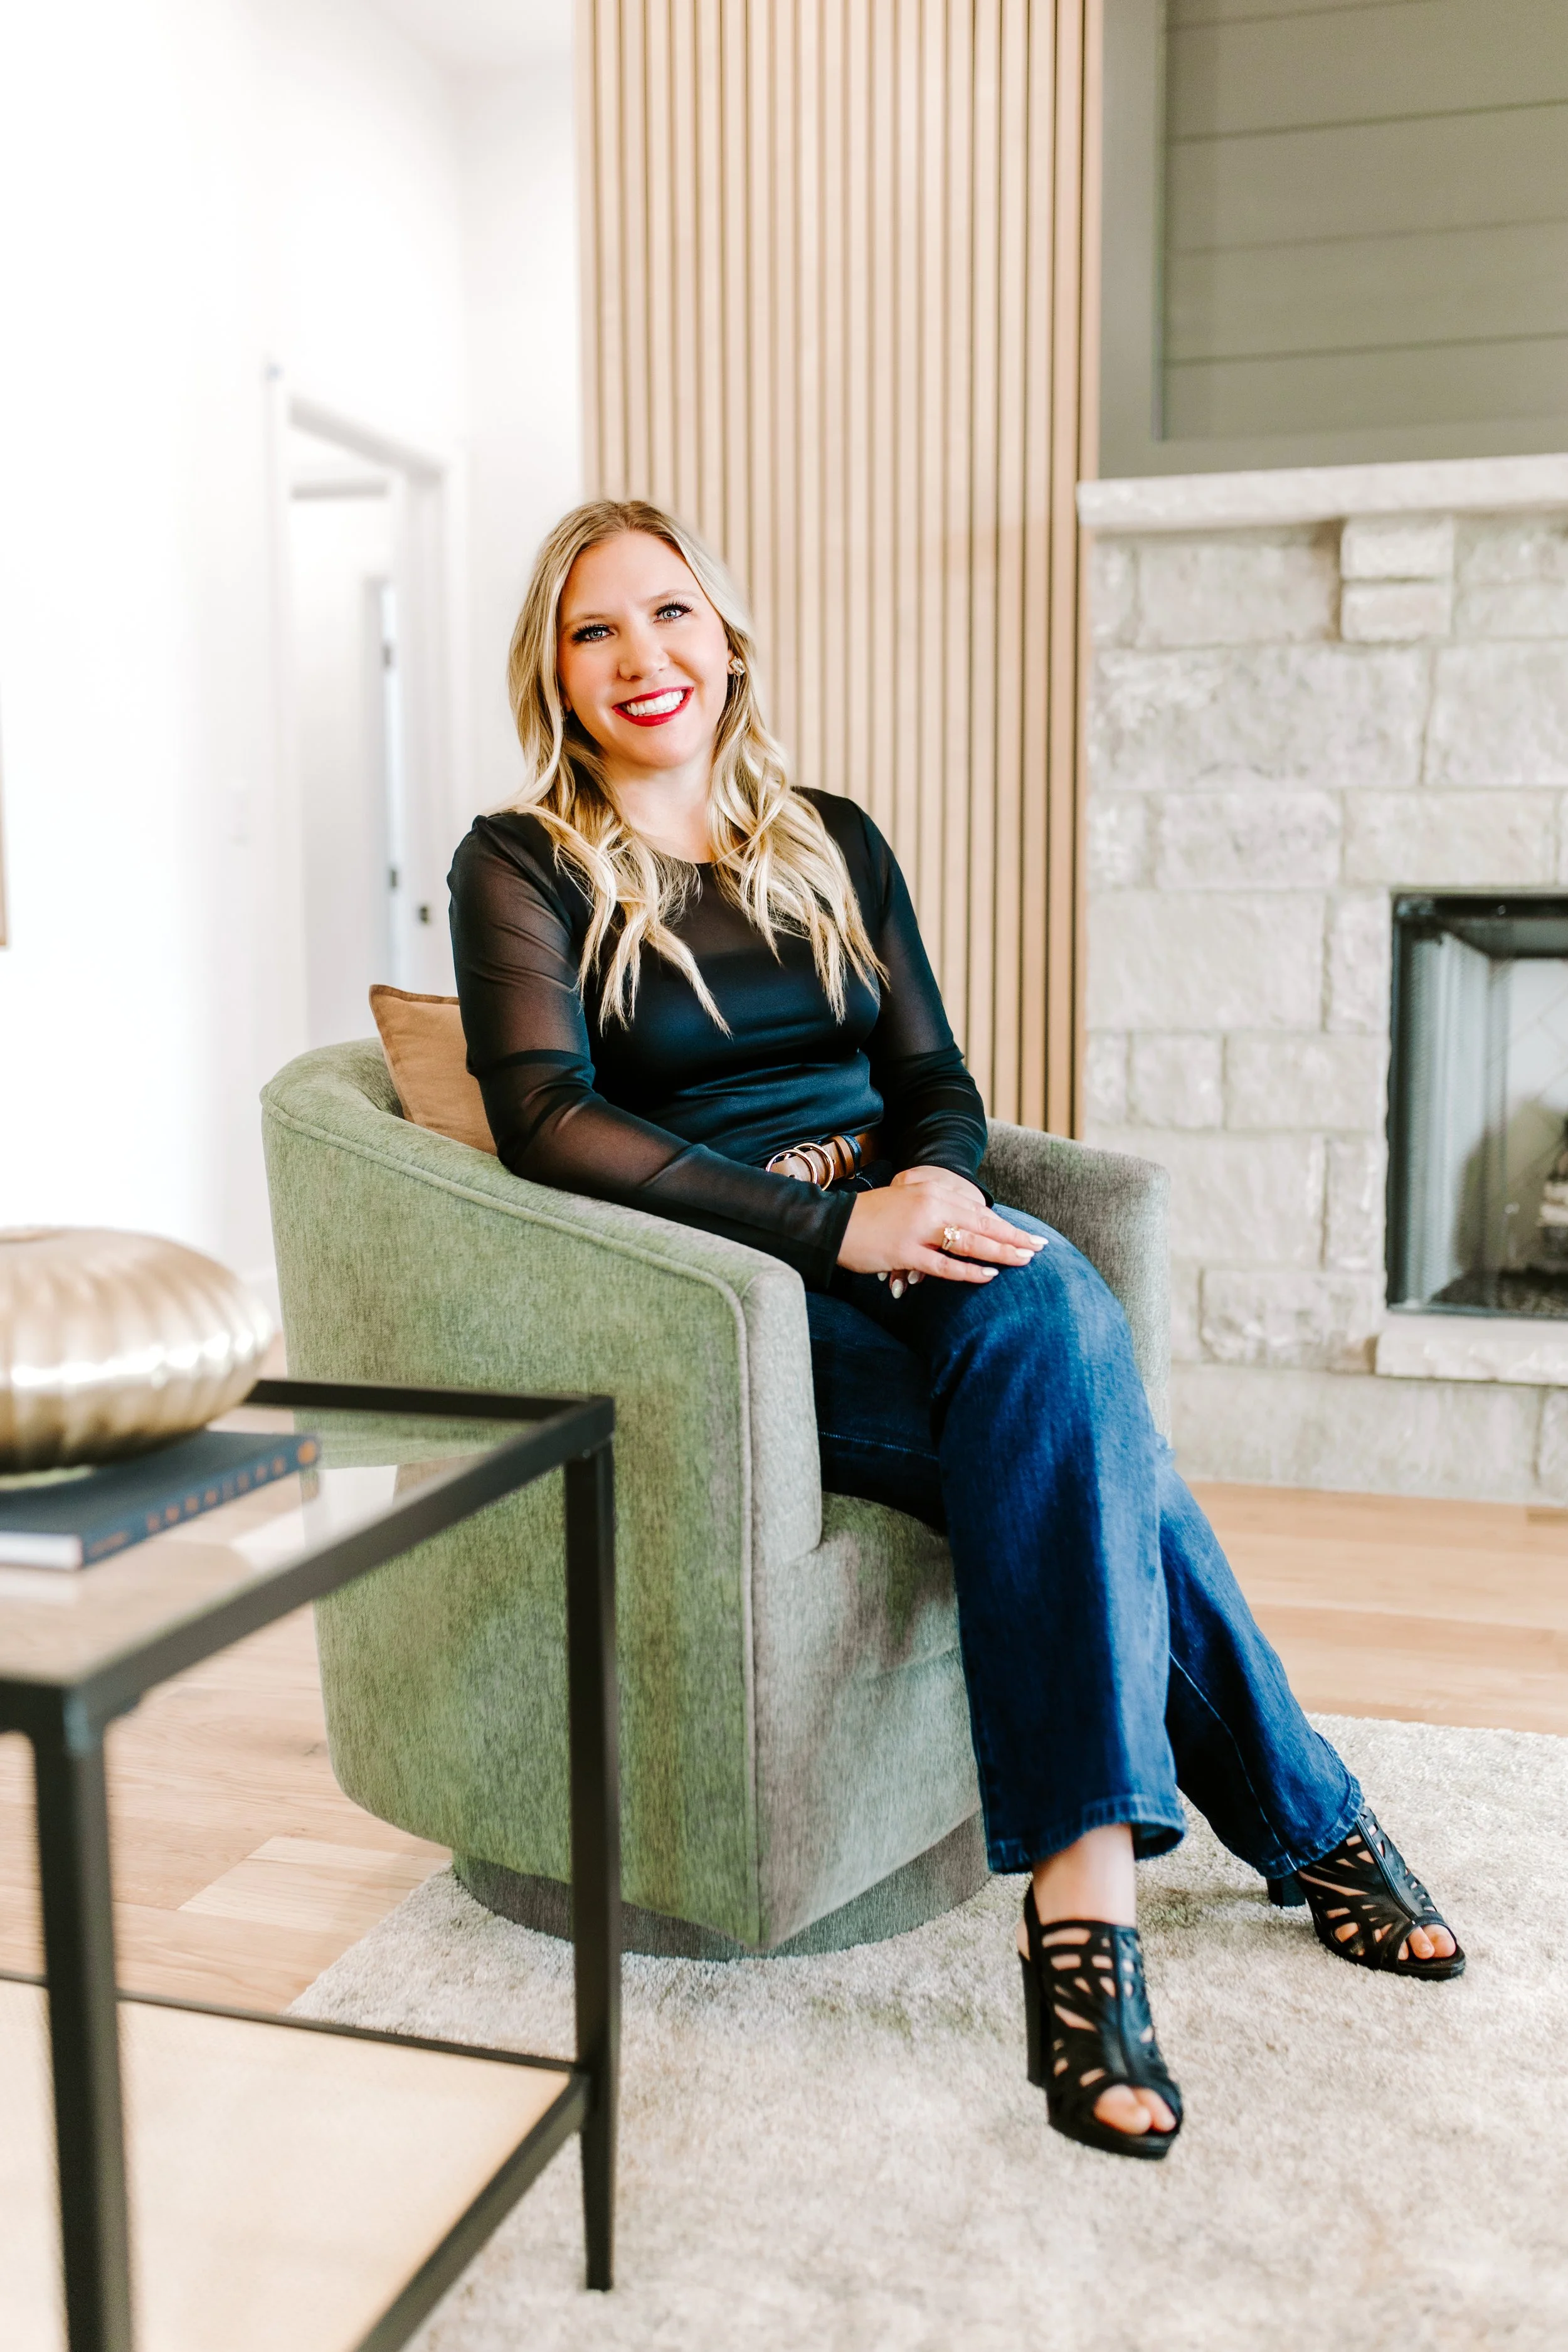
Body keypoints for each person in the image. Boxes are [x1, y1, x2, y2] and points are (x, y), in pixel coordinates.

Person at [448, 498, 1463, 2161]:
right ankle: (1255, 1848)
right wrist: (834, 1221)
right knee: (1086, 1416)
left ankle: (1091, 1915)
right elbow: (548, 1121)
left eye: (671, 614)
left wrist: (923, 1192)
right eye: (594, 628)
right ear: (551, 670)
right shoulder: (523, 864)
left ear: (728, 638)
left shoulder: (832, 836)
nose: (642, 656)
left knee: (1049, 1322)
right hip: (734, 1305)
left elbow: (932, 1078)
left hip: (897, 1244)